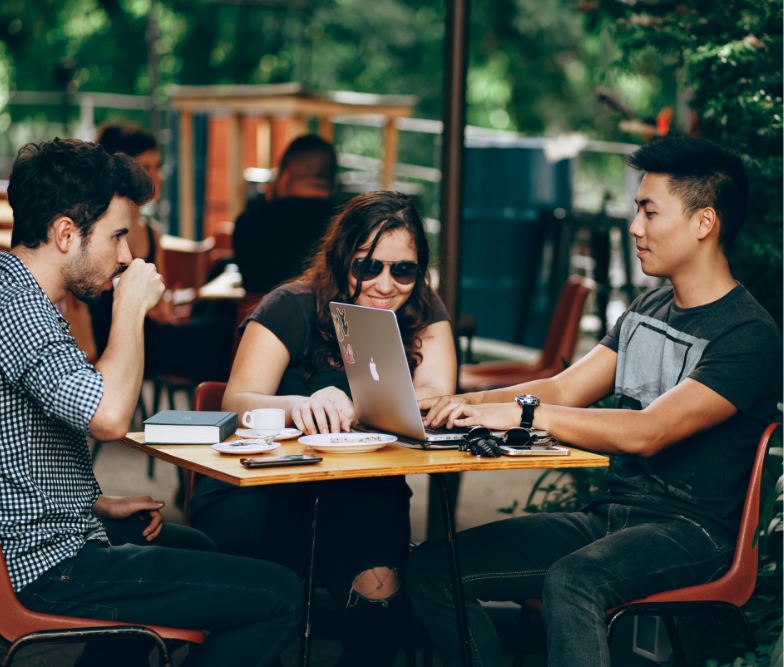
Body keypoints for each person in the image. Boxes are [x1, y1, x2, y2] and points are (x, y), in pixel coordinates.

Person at [406, 136, 784, 666]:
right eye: (637, 211)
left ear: (704, 223)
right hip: (609, 517)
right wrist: (459, 403)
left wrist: (520, 413)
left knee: (573, 582)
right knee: (432, 571)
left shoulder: (748, 334)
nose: (635, 228)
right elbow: (564, 388)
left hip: (693, 534)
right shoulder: (649, 305)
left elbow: (648, 431)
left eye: (650, 212)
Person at [2, 138, 302, 667]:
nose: (127, 255)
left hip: (48, 533)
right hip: (46, 563)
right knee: (280, 595)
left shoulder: (21, 296)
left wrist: (89, 502)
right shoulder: (19, 308)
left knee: (202, 550)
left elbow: (17, 444)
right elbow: (111, 418)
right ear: (66, 234)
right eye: (118, 235)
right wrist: (130, 307)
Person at [190, 190, 458, 666]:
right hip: (264, 486)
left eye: (404, 269)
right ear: (341, 261)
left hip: (358, 491)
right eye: (368, 266)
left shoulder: (421, 310)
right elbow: (235, 403)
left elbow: (435, 397)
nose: (385, 283)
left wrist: (356, 404)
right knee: (267, 603)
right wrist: (301, 404)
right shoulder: (290, 305)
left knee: (380, 607)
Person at [90, 123, 171, 357]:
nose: (155, 176)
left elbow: (161, 303)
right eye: (146, 167)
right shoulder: (95, 232)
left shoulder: (153, 234)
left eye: (158, 166)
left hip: (145, 342)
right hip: (102, 345)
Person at [232, 134, 339, 294]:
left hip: (261, 317)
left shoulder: (249, 223)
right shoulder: (350, 224)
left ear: (285, 175)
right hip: (328, 318)